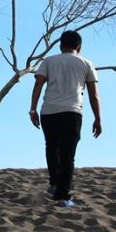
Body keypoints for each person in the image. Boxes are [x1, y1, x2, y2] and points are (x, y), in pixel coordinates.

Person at [29, 31, 102, 207]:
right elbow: (94, 95)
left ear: (61, 46)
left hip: (49, 111)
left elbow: (38, 84)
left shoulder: (48, 61)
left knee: (52, 146)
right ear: (79, 47)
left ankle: (54, 183)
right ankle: (63, 196)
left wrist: (32, 109)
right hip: (72, 112)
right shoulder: (86, 63)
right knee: (68, 154)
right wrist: (97, 118)